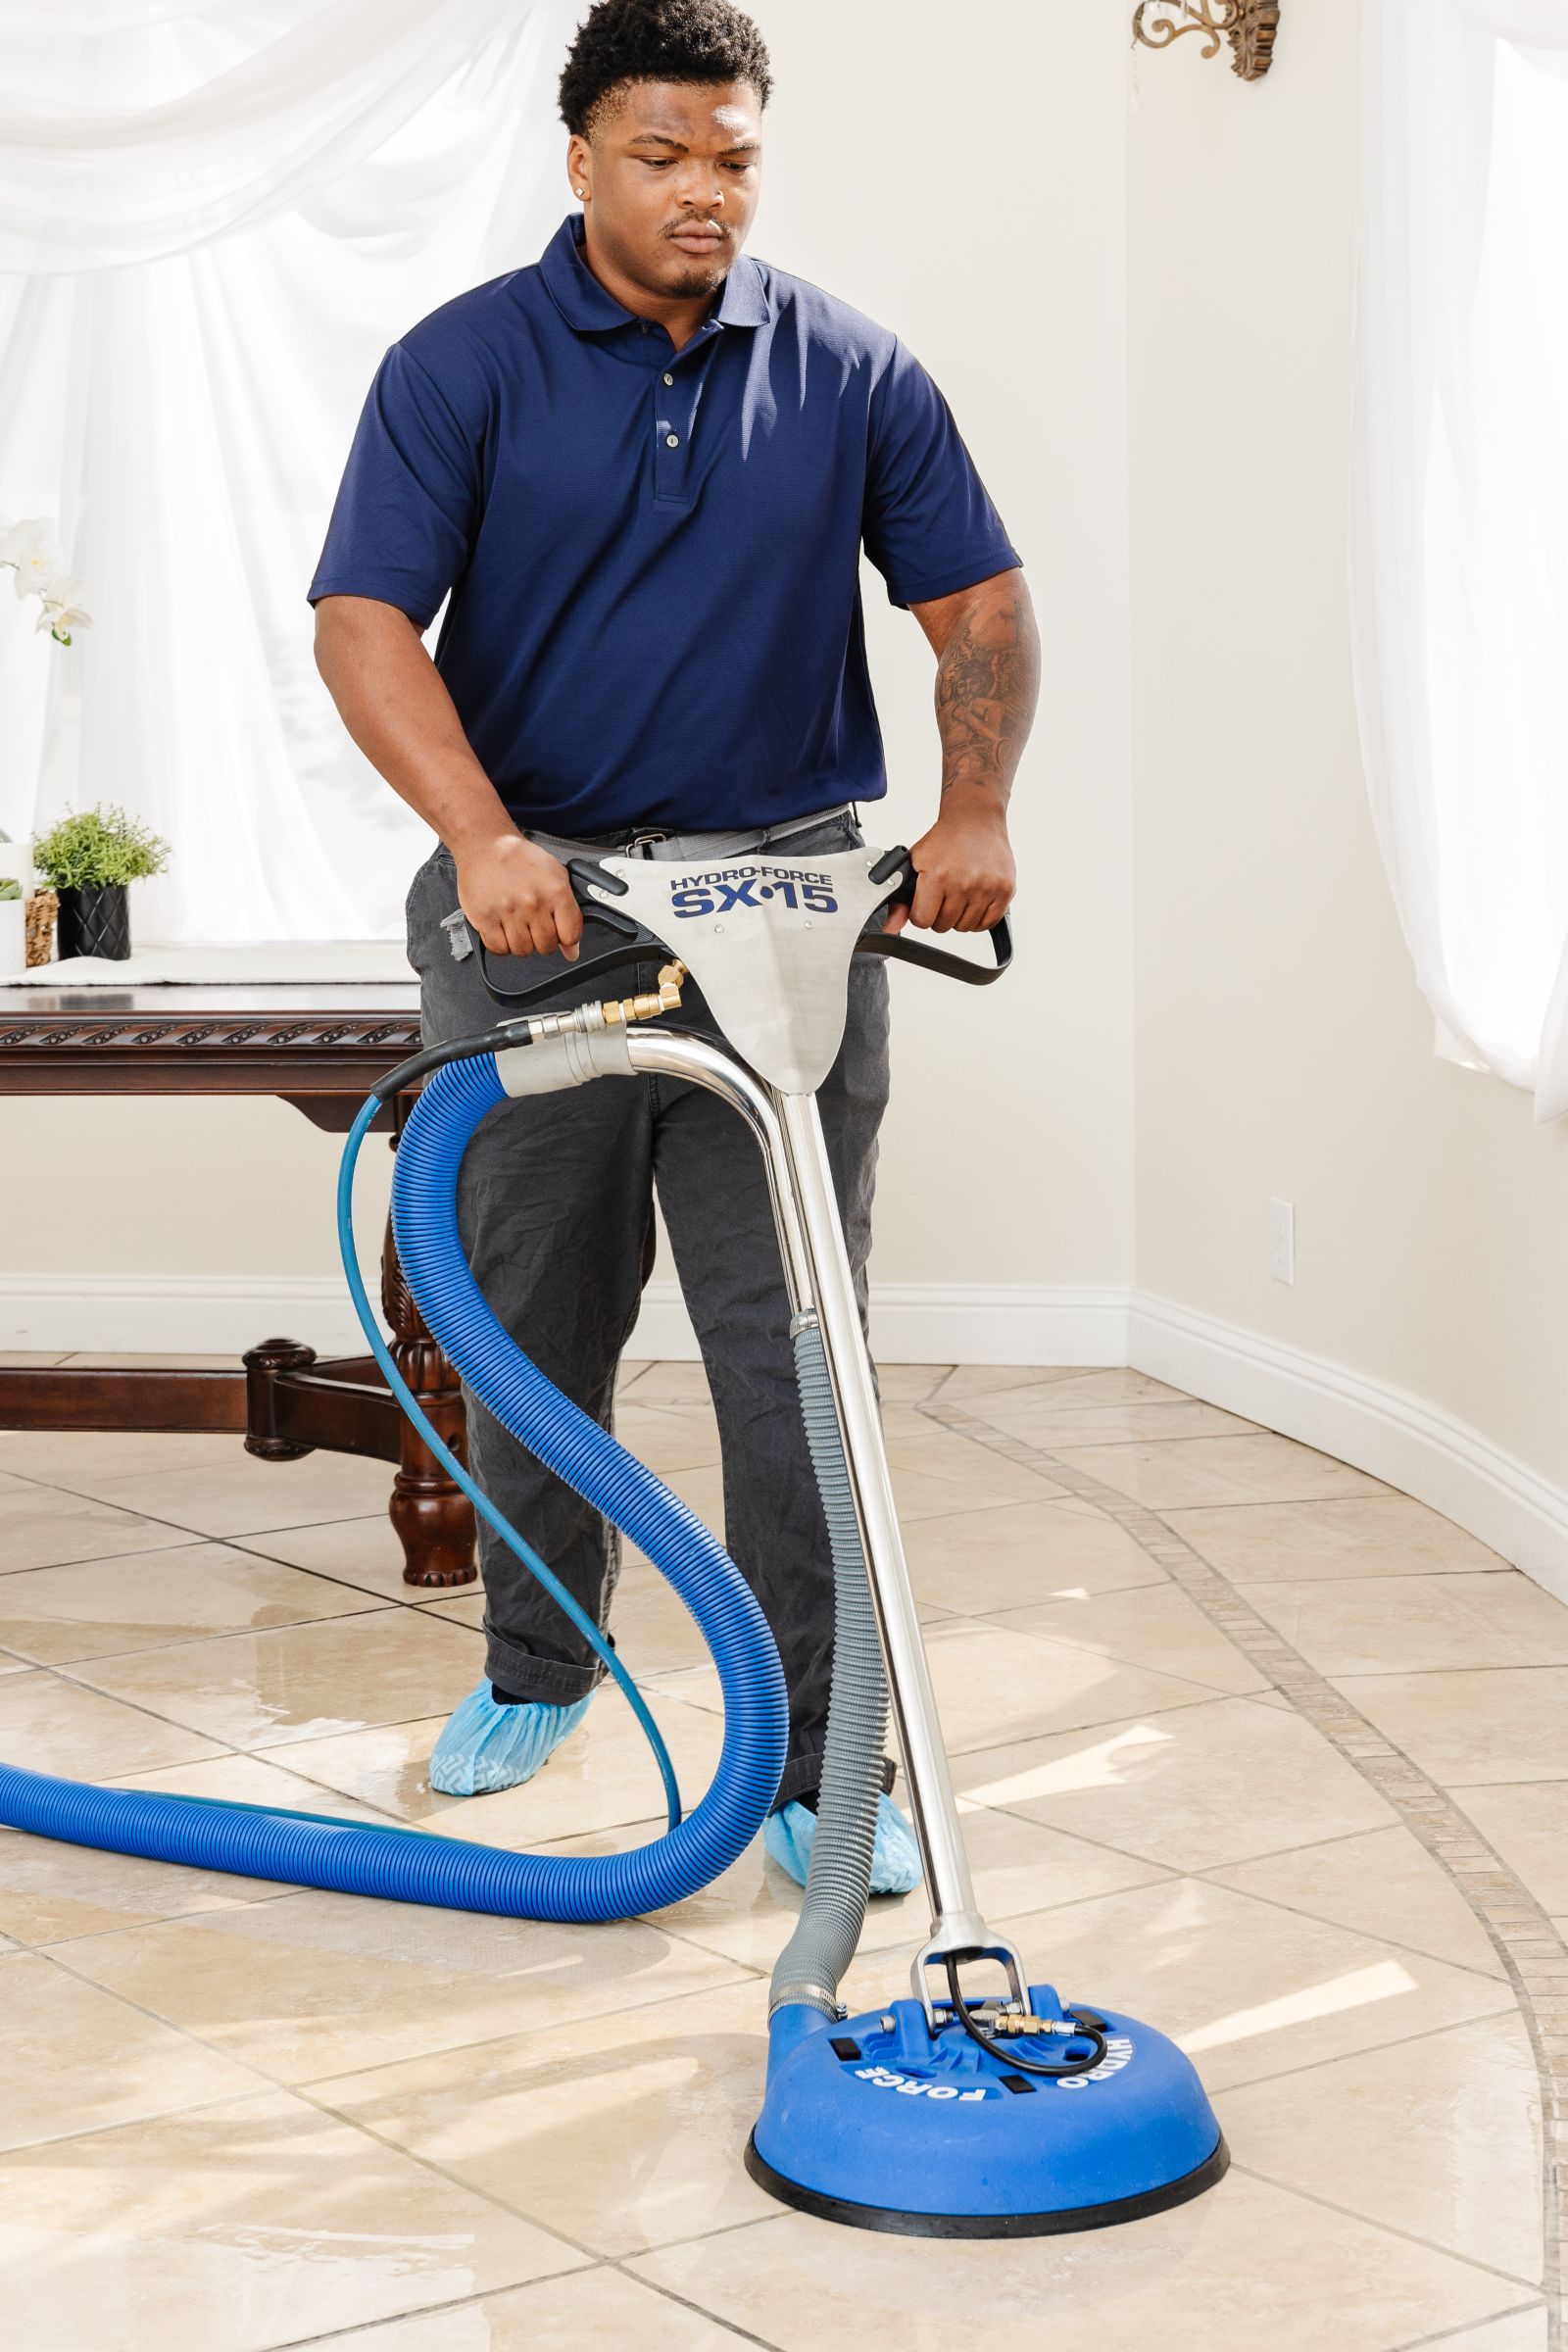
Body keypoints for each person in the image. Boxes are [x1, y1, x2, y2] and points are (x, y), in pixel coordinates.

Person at [309, 0, 1039, 1896]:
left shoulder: (851, 367)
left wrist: (971, 813)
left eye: (733, 158)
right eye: (665, 156)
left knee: (794, 1342)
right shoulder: (460, 364)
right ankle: (540, 1662)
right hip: (538, 909)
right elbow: (368, 623)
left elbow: (976, 600)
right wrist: (483, 839)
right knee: (529, 1310)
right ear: (581, 160)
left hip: (786, 908)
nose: (705, 190)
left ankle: (816, 1761)